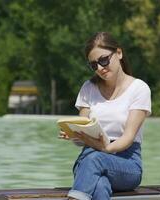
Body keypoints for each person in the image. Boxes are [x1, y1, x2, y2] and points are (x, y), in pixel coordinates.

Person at [59, 32, 151, 200]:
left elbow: (128, 138)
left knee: (96, 159)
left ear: (119, 53)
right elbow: (83, 133)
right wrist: (74, 134)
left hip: (127, 163)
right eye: (94, 65)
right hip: (88, 159)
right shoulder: (89, 88)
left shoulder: (139, 89)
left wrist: (105, 148)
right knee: (100, 185)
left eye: (103, 60)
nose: (100, 68)